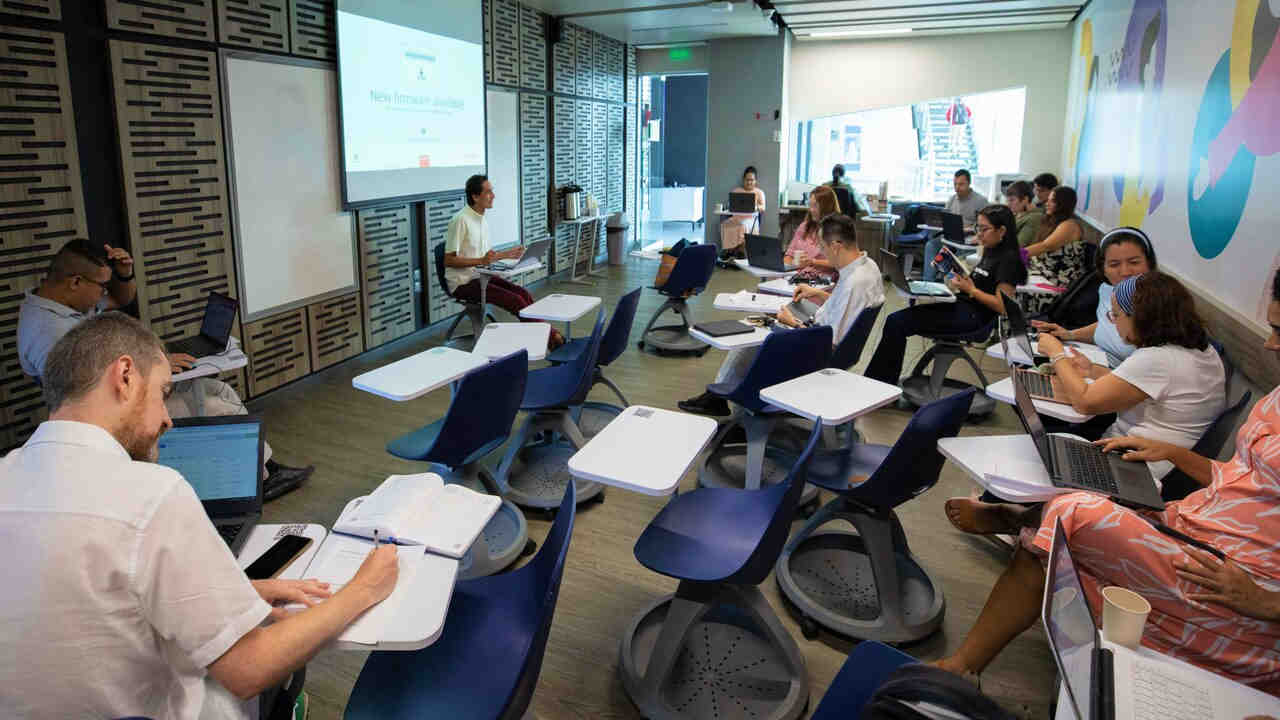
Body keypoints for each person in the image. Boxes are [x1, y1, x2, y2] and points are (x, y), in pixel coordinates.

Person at [0, 312, 401, 719]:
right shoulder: (151, 492)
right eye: (162, 392)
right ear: (125, 376)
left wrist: (236, 594)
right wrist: (364, 588)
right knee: (279, 653)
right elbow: (248, 668)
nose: (167, 418)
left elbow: (80, 608)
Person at [934, 269, 1280, 693]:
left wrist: (1267, 602)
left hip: (1229, 568)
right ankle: (967, 655)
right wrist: (1174, 452)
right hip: (1192, 526)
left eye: (1279, 330)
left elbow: (1085, 401)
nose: (1269, 343)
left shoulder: (1165, 358)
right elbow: (1241, 479)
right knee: (1060, 521)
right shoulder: (1266, 394)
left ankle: (1020, 523)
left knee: (1070, 513)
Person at [16, 238, 313, 493]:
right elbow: (94, 394)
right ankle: (260, 480)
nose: (105, 295)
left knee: (218, 389)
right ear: (75, 282)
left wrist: (124, 274)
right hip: (116, 419)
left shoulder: (65, 305)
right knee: (216, 407)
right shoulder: (48, 331)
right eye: (102, 286)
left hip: (127, 396)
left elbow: (120, 299)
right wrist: (154, 366)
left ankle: (265, 467)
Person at [679, 214, 883, 417]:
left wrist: (792, 323)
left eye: (823, 246)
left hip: (818, 351)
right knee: (774, 318)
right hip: (823, 332)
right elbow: (846, 310)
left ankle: (729, 398)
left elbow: (829, 343)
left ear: (836, 246)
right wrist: (818, 293)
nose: (822, 252)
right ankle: (721, 396)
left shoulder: (852, 284)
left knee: (756, 332)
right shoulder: (868, 267)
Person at [865, 204, 1025, 386]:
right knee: (896, 321)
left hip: (975, 319)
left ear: (1002, 230)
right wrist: (959, 281)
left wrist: (972, 290)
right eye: (978, 228)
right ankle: (881, 383)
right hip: (964, 306)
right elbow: (980, 285)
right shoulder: (991, 251)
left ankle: (881, 385)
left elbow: (1002, 306)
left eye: (984, 229)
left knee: (896, 322)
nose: (979, 234)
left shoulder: (1009, 260)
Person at [444, 174, 564, 349]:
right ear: (475, 196)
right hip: (463, 283)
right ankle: (553, 339)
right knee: (515, 300)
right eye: (488, 192)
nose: (493, 196)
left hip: (480, 276)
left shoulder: (481, 219)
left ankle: (549, 337)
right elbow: (448, 260)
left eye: (492, 191)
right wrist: (482, 260)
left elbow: (486, 257)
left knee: (522, 294)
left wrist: (508, 254)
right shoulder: (460, 220)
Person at [1032, 226, 1157, 367]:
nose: (1125, 272)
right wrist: (1070, 334)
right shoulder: (1107, 289)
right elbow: (1106, 325)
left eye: (1134, 262)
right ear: (1103, 268)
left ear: (1149, 263)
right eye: (1114, 264)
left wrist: (1059, 356)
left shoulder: (1158, 303)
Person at [1023, 185, 1088, 313]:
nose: (1046, 204)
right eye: (1048, 200)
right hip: (1044, 273)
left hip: (1059, 281)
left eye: (1052, 201)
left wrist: (1018, 254)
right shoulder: (1053, 222)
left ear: (1062, 204)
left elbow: (1046, 246)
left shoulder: (1070, 225)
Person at [923, 169, 989, 282]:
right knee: (931, 245)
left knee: (958, 252)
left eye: (961, 184)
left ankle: (951, 282)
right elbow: (945, 219)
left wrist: (968, 229)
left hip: (970, 237)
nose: (957, 187)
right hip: (951, 236)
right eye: (955, 184)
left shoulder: (980, 201)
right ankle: (928, 282)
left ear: (969, 183)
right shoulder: (952, 199)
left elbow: (984, 225)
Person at [783, 185, 840, 283]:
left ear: (826, 207)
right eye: (810, 205)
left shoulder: (837, 230)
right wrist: (790, 263)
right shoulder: (804, 227)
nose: (811, 209)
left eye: (815, 206)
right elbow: (788, 256)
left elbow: (840, 263)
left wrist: (812, 262)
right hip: (798, 276)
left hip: (822, 280)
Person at [718, 165, 766, 259]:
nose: (749, 182)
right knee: (725, 224)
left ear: (755, 181)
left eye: (752, 180)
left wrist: (755, 207)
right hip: (736, 218)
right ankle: (729, 250)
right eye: (747, 180)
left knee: (742, 226)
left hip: (751, 219)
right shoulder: (736, 191)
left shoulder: (759, 192)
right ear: (743, 180)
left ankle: (740, 251)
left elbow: (763, 207)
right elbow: (730, 205)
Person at [1004, 180, 1043, 247]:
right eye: (1007, 201)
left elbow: (1018, 245)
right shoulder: (1017, 213)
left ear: (1025, 199)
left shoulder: (1034, 218)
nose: (1008, 204)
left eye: (1012, 200)